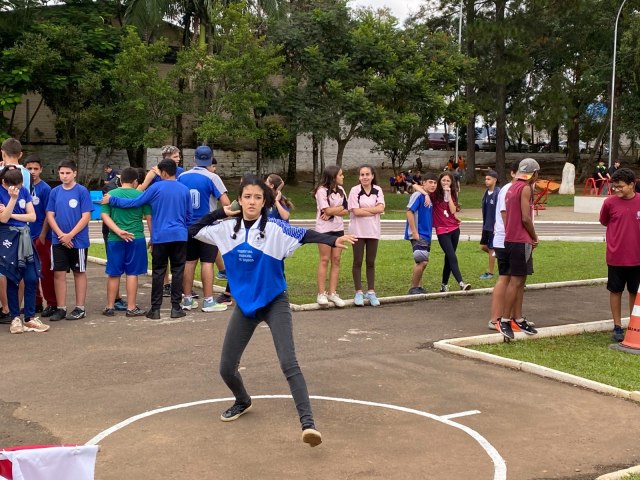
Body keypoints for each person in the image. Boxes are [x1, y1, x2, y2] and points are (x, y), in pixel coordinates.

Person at [189, 175, 356, 447]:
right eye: (246, 197)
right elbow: (192, 228)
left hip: (274, 301)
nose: (252, 202)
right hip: (245, 305)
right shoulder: (226, 228)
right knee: (226, 368)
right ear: (239, 200)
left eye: (257, 197)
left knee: (289, 363)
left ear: (265, 200)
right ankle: (242, 400)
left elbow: (306, 234)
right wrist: (222, 211)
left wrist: (332, 240)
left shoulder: (276, 228)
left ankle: (308, 425)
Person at [103, 159, 192, 320]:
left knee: (159, 271)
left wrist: (112, 200)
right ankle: (176, 307)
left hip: (161, 236)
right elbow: (189, 215)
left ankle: (155, 309)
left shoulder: (156, 188)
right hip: (179, 235)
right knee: (178, 271)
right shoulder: (185, 189)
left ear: (163, 172)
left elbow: (135, 202)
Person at [178, 146, 228, 313]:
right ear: (210, 158)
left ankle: (186, 299)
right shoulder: (213, 177)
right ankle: (208, 300)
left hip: (188, 226)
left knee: (189, 262)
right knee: (208, 262)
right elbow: (226, 202)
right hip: (208, 226)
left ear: (194, 159)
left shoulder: (182, 176)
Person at [0, 167, 49, 334]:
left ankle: (29, 317)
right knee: (12, 277)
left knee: (32, 277)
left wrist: (13, 215)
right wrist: (12, 200)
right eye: (13, 186)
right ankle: (15, 317)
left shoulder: (25, 191)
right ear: (4, 183)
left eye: (19, 186)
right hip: (7, 239)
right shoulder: (1, 192)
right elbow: (2, 219)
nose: (17, 189)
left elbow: (32, 216)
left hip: (25, 237)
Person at [496, 158, 540, 340]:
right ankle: (505, 320)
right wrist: (534, 236)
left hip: (510, 238)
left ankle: (518, 317)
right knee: (516, 281)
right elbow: (525, 218)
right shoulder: (526, 188)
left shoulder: (512, 187)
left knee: (520, 280)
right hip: (520, 240)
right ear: (534, 173)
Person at [100, 167, 151, 317]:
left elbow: (104, 216)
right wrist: (153, 238)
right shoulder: (141, 195)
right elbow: (149, 218)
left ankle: (109, 306)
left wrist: (117, 231)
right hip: (135, 237)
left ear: (120, 180)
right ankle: (131, 307)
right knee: (132, 273)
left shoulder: (110, 195)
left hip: (115, 238)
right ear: (136, 181)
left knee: (114, 273)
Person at [46, 160, 92, 321]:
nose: (64, 176)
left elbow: (86, 216)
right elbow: (50, 215)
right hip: (58, 240)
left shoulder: (82, 191)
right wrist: (61, 235)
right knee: (58, 273)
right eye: (61, 173)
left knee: (79, 272)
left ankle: (80, 308)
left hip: (77, 241)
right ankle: (61, 308)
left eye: (67, 173)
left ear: (74, 173)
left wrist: (70, 235)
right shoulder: (55, 192)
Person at [138, 145, 186, 298]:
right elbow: (141, 191)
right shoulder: (154, 173)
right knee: (161, 260)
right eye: (175, 157)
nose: (178, 159)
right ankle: (165, 285)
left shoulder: (181, 173)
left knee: (176, 263)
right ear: (166, 158)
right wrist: (150, 177)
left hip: (175, 217)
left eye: (179, 156)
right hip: (158, 214)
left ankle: (177, 295)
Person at [599, 168, 640, 342]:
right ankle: (617, 326)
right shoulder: (609, 203)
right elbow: (604, 221)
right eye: (614, 187)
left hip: (637, 257)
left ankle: (634, 325)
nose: (617, 190)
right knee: (615, 291)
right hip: (616, 256)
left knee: (634, 292)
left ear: (632, 185)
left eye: (620, 187)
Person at [488, 161, 518, 331]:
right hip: (506, 240)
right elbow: (505, 214)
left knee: (513, 279)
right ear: (513, 173)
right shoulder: (508, 190)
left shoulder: (515, 189)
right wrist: (512, 235)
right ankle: (495, 319)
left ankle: (510, 317)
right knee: (505, 277)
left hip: (508, 239)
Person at [349, 165, 385, 306]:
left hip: (373, 231)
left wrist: (365, 209)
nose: (364, 177)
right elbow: (355, 212)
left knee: (371, 262)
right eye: (362, 174)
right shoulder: (355, 190)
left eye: (367, 174)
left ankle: (371, 292)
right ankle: (358, 292)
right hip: (357, 231)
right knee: (357, 261)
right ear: (359, 177)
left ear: (372, 176)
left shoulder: (378, 190)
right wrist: (373, 211)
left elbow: (381, 208)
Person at [24, 156, 56, 317]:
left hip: (42, 237)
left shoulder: (45, 189)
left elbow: (48, 214)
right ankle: (36, 302)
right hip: (25, 236)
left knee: (45, 271)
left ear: (41, 169)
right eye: (29, 169)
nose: (32, 172)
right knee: (29, 271)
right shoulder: (23, 187)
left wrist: (43, 234)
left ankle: (51, 303)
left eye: (36, 169)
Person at [313, 165, 349, 308]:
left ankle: (332, 293)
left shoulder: (341, 191)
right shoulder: (321, 191)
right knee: (324, 259)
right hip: (324, 230)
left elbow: (346, 210)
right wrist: (335, 210)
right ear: (333, 177)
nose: (343, 177)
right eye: (340, 175)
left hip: (338, 229)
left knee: (337, 259)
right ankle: (321, 293)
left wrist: (334, 211)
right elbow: (325, 210)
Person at [432, 171, 470, 292]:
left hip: (454, 229)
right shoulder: (434, 195)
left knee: (449, 257)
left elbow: (453, 211)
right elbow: (419, 188)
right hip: (442, 231)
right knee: (452, 256)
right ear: (440, 181)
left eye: (448, 181)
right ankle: (461, 283)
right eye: (443, 180)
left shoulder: (451, 194)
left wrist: (448, 195)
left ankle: (444, 285)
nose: (445, 183)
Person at [404, 173, 437, 294]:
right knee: (421, 261)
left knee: (423, 261)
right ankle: (413, 288)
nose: (433, 185)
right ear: (423, 183)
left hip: (427, 234)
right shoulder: (418, 195)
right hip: (419, 233)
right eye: (430, 182)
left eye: (435, 183)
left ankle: (418, 286)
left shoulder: (428, 197)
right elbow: (409, 212)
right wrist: (414, 232)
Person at [479, 170, 500, 280]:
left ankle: (490, 273)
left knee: (491, 248)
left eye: (488, 179)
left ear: (495, 180)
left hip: (494, 226)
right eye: (486, 179)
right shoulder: (486, 193)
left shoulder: (498, 193)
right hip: (486, 225)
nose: (486, 181)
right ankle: (498, 255)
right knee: (483, 246)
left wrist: (497, 225)